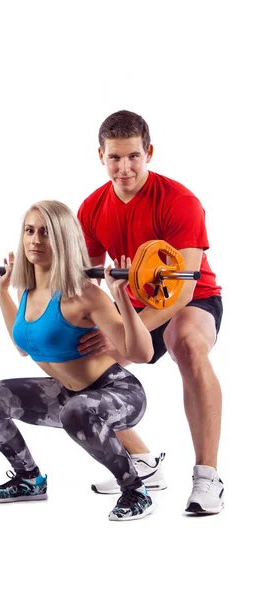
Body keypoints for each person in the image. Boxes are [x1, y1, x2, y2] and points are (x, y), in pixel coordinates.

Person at [0, 200, 156, 521]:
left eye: (46, 233)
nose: (35, 240)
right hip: (69, 395)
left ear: (64, 240)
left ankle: (135, 490)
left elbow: (143, 354)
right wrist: (1, 292)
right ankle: (29, 480)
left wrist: (121, 294)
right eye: (30, 231)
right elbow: (24, 346)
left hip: (119, 393)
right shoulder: (28, 289)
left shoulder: (85, 294)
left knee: (77, 411)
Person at [77, 110, 224, 515]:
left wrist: (126, 331)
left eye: (133, 157)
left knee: (187, 343)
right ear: (101, 156)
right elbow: (88, 283)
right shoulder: (91, 208)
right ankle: (140, 461)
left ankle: (208, 477)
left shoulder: (179, 202)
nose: (124, 168)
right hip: (132, 303)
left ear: (149, 153)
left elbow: (183, 290)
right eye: (115, 158)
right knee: (79, 357)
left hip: (191, 300)